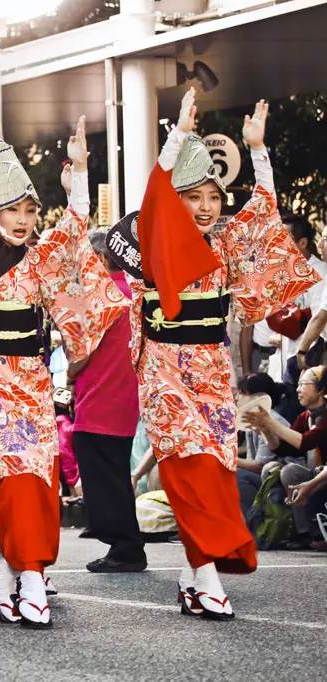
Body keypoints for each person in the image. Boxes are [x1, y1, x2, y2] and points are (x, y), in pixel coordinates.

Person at [0, 83, 127, 629]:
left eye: (30, 208)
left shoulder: (40, 259)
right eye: (12, 209)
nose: (23, 218)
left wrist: (79, 173)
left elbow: (77, 226)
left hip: (32, 383)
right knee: (8, 478)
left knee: (37, 476)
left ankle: (16, 576)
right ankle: (30, 577)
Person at [131, 89, 318, 620]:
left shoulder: (229, 242)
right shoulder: (156, 237)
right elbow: (155, 194)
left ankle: (194, 577)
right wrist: (178, 138)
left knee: (211, 467)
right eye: (194, 197)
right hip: (165, 366)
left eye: (214, 196)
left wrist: (257, 150)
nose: (208, 206)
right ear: (177, 201)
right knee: (189, 465)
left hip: (212, 369)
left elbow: (265, 212)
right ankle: (209, 579)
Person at [66, 230, 146, 573]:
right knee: (114, 472)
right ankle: (126, 545)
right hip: (125, 394)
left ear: (98, 259)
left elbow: (80, 354)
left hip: (99, 396)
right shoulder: (133, 293)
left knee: (105, 476)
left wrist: (69, 372)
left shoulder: (101, 296)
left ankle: (126, 547)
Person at [243, 366, 327, 545]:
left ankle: (308, 533)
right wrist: (265, 429)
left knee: (289, 471)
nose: (298, 389)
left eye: (304, 384)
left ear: (321, 388)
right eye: (298, 384)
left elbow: (305, 442)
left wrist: (270, 422)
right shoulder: (305, 417)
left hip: (323, 473)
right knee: (272, 467)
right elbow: (283, 449)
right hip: (318, 472)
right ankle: (282, 527)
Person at [253, 215, 327, 379]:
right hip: (284, 355)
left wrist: (303, 352)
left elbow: (319, 321)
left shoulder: (320, 272)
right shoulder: (283, 271)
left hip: (307, 359)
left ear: (302, 243)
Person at [235, 373, 304, 510]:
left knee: (236, 474)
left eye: (241, 393)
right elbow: (252, 458)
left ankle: (255, 523)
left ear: (257, 397)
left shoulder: (271, 419)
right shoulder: (252, 419)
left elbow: (261, 465)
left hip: (286, 479)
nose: (237, 398)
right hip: (267, 474)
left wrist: (230, 459)